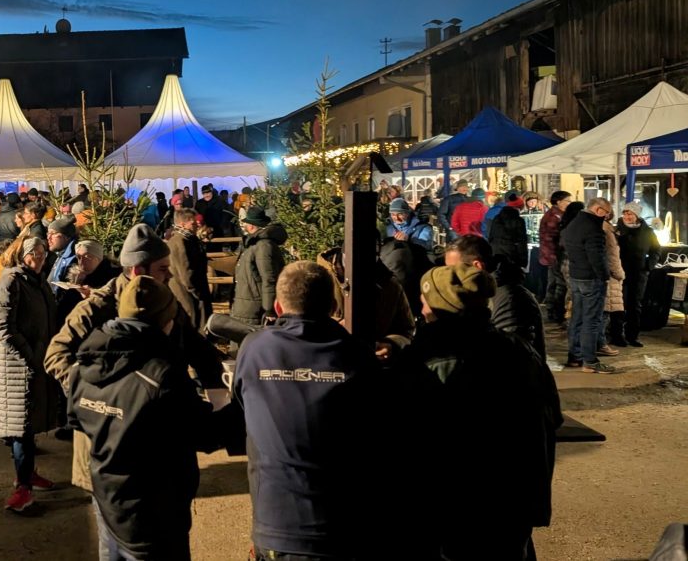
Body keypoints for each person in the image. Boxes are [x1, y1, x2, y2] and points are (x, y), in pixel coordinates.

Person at [233, 261, 416, 559]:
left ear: (278, 307)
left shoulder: (253, 350)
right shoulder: (357, 355)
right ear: (334, 305)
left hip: (275, 524)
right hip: (341, 525)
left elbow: (241, 406)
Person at [45, 224, 223, 493]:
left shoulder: (165, 301)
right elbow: (55, 354)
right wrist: (89, 393)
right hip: (108, 444)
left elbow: (196, 347)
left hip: (157, 438)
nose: (170, 274)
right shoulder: (96, 308)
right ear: (139, 270)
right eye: (163, 268)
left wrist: (218, 389)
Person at [401, 264, 562, 558]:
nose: (420, 306)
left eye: (425, 299)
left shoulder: (431, 359)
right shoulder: (520, 350)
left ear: (438, 306)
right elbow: (553, 416)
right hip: (515, 503)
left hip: (456, 509)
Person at [68, 276, 218, 561]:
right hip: (155, 511)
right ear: (165, 321)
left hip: (107, 499)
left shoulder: (82, 367)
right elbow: (205, 434)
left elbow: (77, 419)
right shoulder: (161, 376)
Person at [0, 236, 62, 512]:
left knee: (28, 424)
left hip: (36, 362)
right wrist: (30, 356)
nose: (41, 257)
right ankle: (22, 488)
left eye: (43, 253)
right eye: (35, 253)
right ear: (22, 254)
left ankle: (28, 473)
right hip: (18, 367)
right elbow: (4, 327)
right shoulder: (11, 281)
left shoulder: (37, 280)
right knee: (19, 428)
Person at [446, 235, 547, 360]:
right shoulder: (485, 294)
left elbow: (507, 355)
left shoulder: (509, 299)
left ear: (477, 266)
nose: (448, 277)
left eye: (452, 270)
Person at [562, 197, 615, 373]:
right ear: (599, 210)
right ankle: (589, 361)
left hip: (576, 276)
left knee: (577, 318)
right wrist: (604, 276)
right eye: (606, 214)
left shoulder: (574, 223)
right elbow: (596, 257)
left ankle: (575, 357)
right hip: (591, 279)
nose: (607, 217)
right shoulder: (593, 228)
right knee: (591, 320)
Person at [613, 202, 661, 348]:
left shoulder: (647, 231)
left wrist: (648, 266)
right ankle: (616, 335)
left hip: (639, 273)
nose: (627, 216)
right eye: (625, 213)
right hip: (619, 272)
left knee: (635, 305)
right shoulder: (617, 230)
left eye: (630, 214)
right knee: (618, 304)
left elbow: (656, 249)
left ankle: (632, 336)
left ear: (637, 216)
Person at [231, 206, 287, 326]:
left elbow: (269, 278)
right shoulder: (254, 244)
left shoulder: (263, 246)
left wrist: (269, 309)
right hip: (247, 302)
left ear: (251, 226)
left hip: (254, 306)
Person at [167, 208, 213, 331]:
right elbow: (186, 271)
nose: (195, 227)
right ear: (182, 224)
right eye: (192, 224)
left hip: (192, 292)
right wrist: (195, 291)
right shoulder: (180, 242)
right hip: (188, 294)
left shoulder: (188, 240)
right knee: (194, 325)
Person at [539, 191, 572, 326]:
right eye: (567, 201)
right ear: (558, 201)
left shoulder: (556, 214)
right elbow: (554, 238)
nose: (569, 203)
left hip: (550, 255)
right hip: (554, 255)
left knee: (553, 283)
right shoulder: (554, 216)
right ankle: (556, 312)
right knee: (559, 284)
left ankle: (552, 311)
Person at [600, 214, 625, 358]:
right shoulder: (607, 230)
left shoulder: (595, 227)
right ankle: (601, 344)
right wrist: (620, 274)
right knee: (604, 312)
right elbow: (612, 256)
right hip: (609, 277)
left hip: (598, 275)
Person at [488, 192, 529, 268]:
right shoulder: (519, 220)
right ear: (518, 208)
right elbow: (521, 241)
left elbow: (491, 235)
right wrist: (523, 260)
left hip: (496, 252)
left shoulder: (497, 217)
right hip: (511, 254)